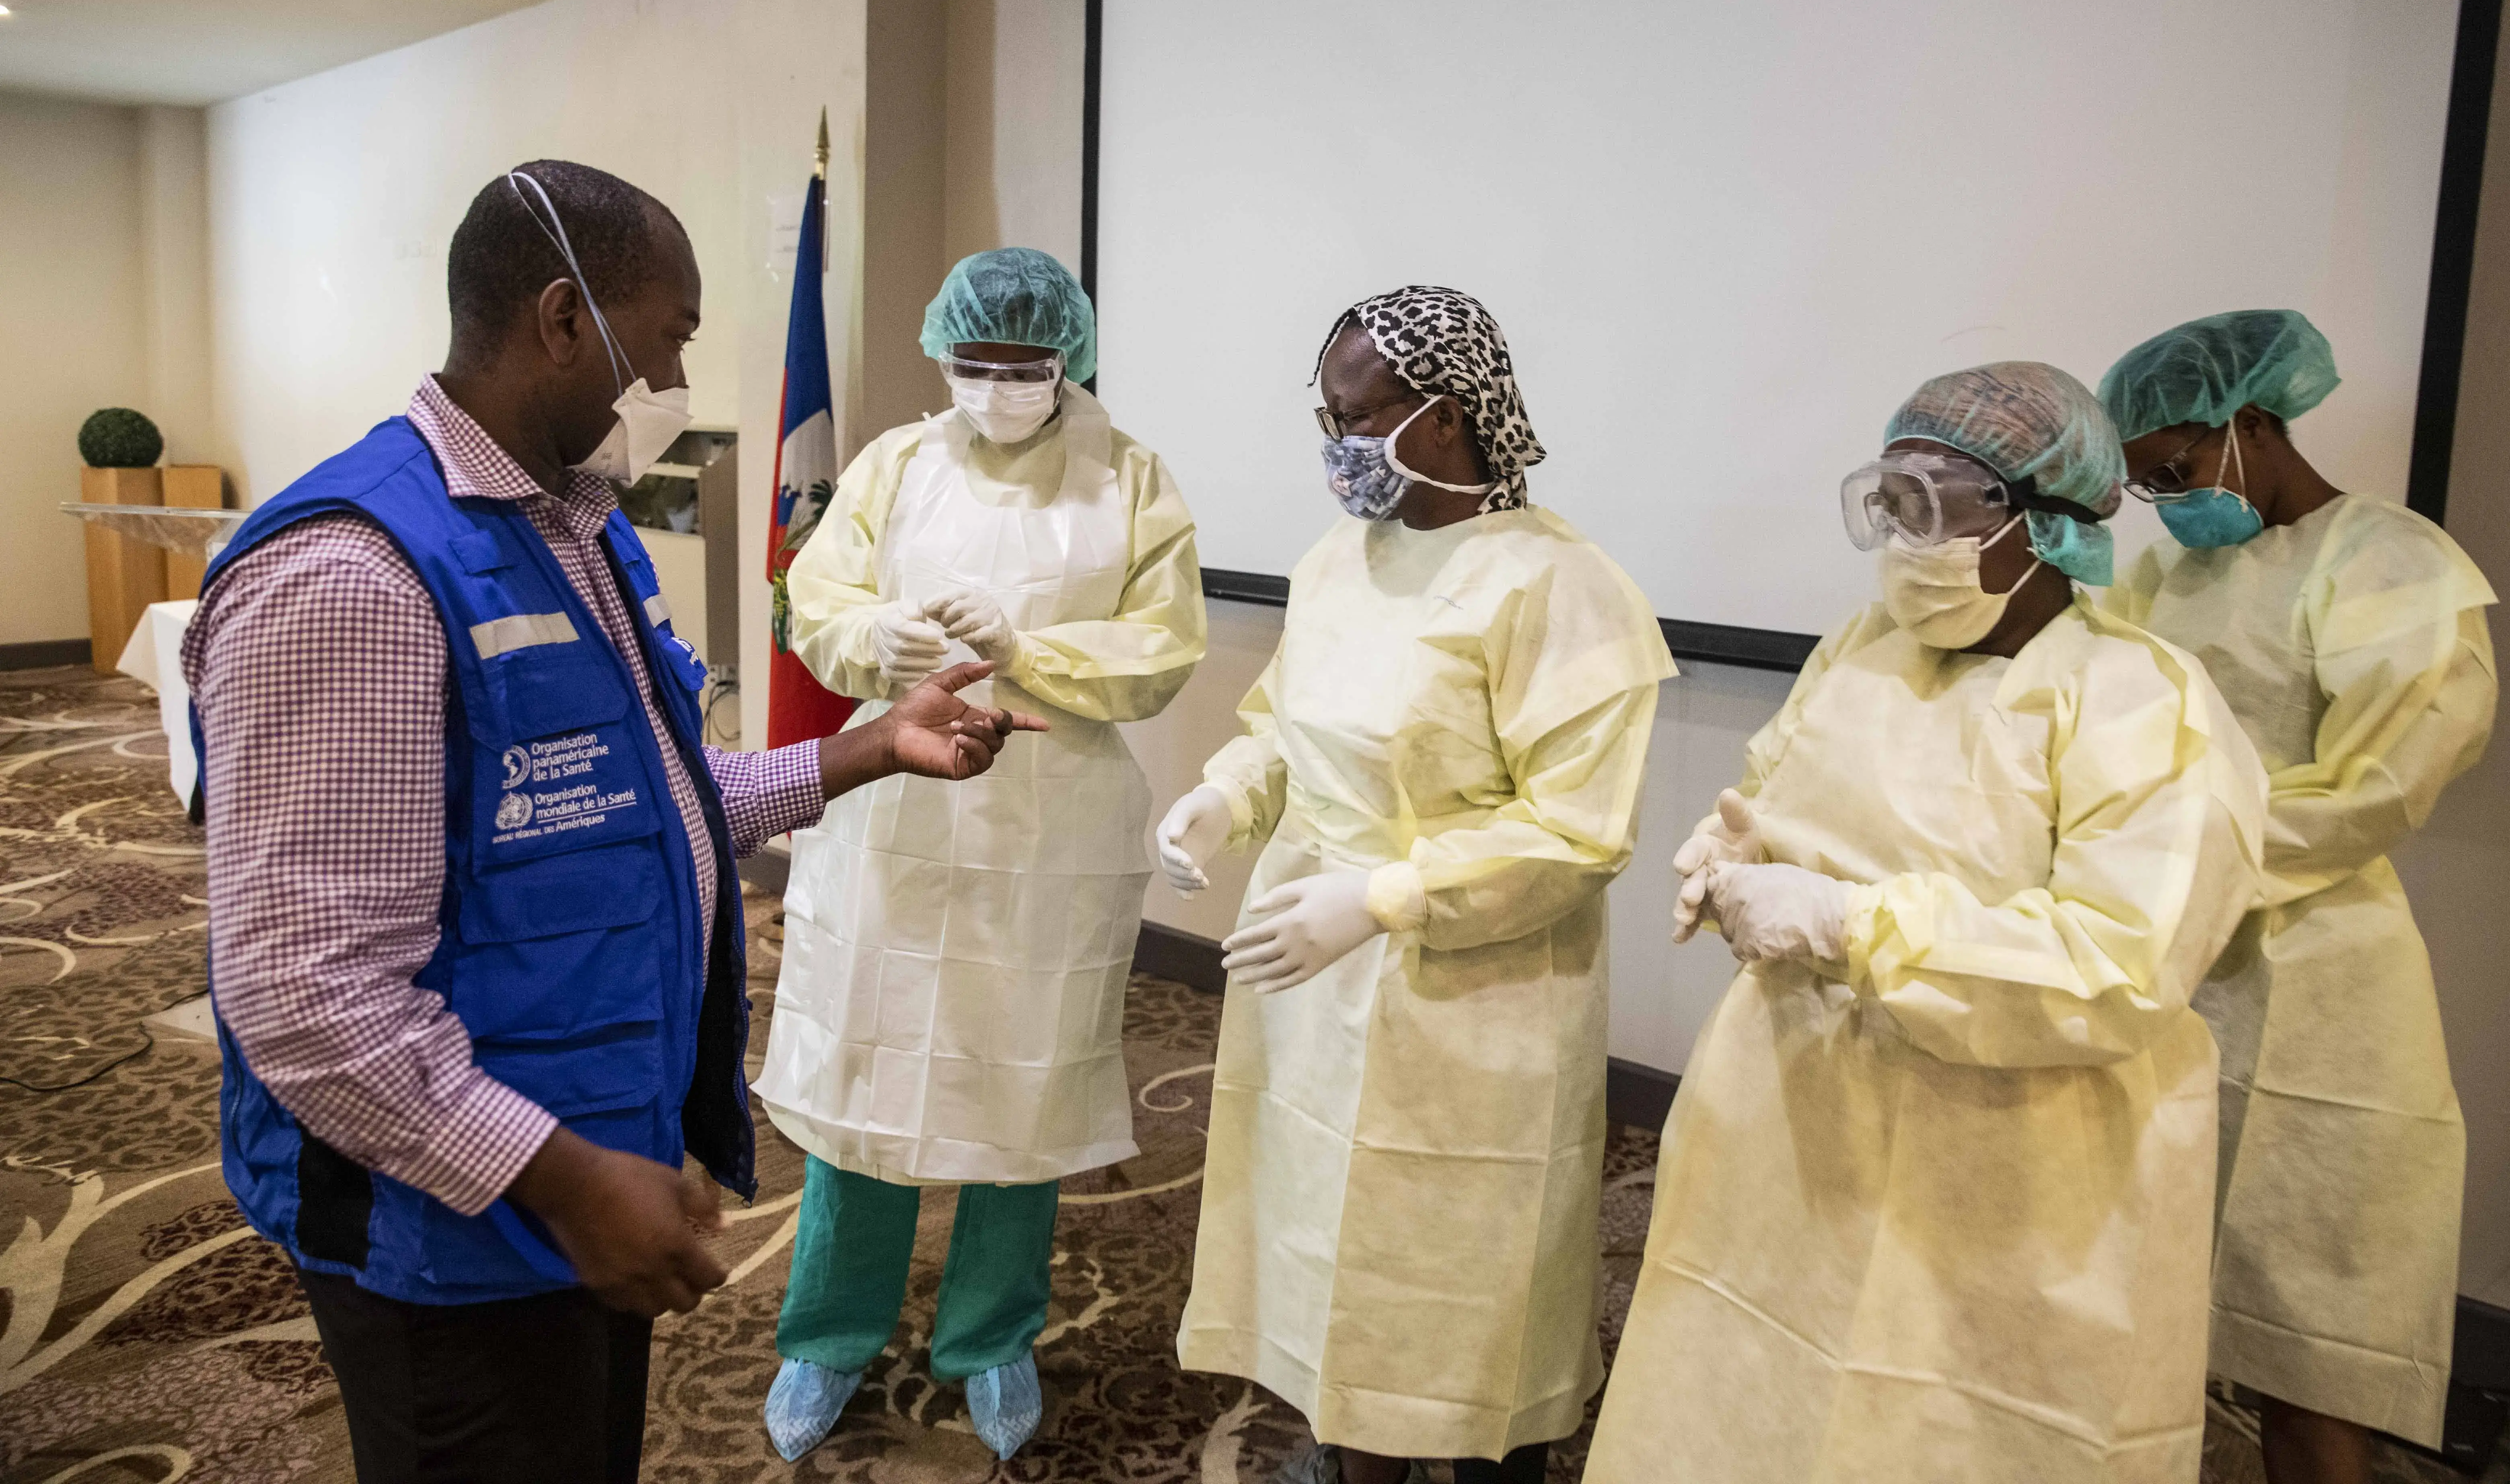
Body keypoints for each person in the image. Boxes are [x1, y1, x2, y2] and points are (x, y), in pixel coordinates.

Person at [185, 160, 1045, 1484]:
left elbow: (643, 807)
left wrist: (867, 749)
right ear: (565, 319)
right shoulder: (353, 578)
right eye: (676, 336)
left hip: (584, 1168)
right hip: (448, 1223)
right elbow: (306, 991)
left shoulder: (581, 528)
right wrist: (562, 1178)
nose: (678, 374)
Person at [1586, 361, 2268, 1484]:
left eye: (1937, 506)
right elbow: (1782, 779)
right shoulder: (1865, 650)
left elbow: (2118, 968)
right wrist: (1739, 851)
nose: (1904, 535)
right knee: (1750, 1388)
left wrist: (1854, 926)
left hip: (2010, 1173)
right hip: (1794, 1124)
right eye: (1888, 501)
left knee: (1948, 1432)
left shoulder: (2143, 705)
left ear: (2047, 523)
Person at [1156, 286, 1673, 1484]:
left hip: (1475, 992)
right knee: (1330, 1239)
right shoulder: (1342, 559)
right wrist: (1227, 794)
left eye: (1358, 418)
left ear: (1447, 420)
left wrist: (1388, 898)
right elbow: (1285, 724)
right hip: (1312, 968)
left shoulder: (1561, 589)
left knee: (1468, 1267)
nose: (1337, 447)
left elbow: (1575, 833)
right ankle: (1353, 1449)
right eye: (1326, 418)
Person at [752, 246, 1207, 1462]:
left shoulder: (1132, 480)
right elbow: (818, 599)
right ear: (940, 355)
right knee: (871, 1070)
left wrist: (1029, 647)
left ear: (1070, 362)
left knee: (1024, 1075)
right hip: (898, 800)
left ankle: (992, 1336)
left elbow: (1164, 650)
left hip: (1053, 815)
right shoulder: (897, 462)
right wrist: (877, 635)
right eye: (975, 364)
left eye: (1023, 366)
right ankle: (830, 1334)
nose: (997, 385)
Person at [2099, 310, 2498, 1483]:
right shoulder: (2172, 567)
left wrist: (2187, 850)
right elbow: (2109, 719)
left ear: (2254, 421)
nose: (2167, 502)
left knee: (2310, 1359)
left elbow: (2381, 783)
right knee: (2142, 1322)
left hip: (2320, 990)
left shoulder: (2389, 562)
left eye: (2175, 471)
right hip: (2168, 973)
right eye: (2146, 486)